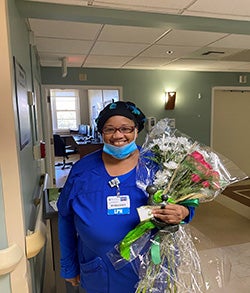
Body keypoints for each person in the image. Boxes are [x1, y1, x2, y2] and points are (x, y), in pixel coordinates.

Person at [57, 101, 195, 293]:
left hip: (151, 266)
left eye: (126, 128)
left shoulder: (158, 163)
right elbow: (65, 217)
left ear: (137, 130)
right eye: (109, 129)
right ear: (101, 132)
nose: (118, 135)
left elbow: (186, 201)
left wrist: (183, 211)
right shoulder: (82, 170)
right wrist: (68, 266)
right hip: (100, 269)